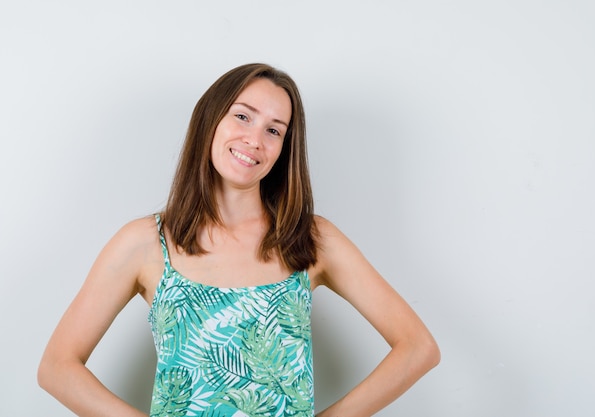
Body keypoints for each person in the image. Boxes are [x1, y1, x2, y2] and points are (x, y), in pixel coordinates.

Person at [38, 63, 440, 417]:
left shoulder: (311, 239)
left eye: (273, 130)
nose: (255, 140)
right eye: (243, 117)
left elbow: (417, 347)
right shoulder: (144, 242)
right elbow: (57, 367)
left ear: (284, 148)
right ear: (211, 120)